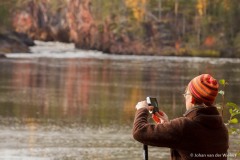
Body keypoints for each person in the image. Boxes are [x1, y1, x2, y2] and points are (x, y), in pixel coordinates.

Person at [132, 74, 229, 160]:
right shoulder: (222, 129)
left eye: (186, 94)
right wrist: (167, 124)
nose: (185, 97)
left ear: (191, 99)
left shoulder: (184, 127)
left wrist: (142, 109)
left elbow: (139, 131)